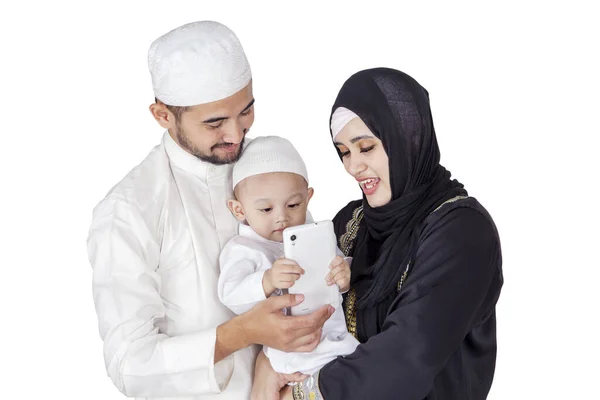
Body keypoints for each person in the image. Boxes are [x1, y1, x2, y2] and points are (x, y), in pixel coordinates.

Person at [86, 21, 332, 400]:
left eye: (246, 111)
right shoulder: (129, 210)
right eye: (215, 123)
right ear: (163, 115)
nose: (236, 135)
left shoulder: (265, 167)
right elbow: (130, 365)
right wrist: (243, 332)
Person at [252, 68, 504, 400]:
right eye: (344, 152)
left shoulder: (461, 231)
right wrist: (267, 363)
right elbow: (311, 319)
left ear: (408, 137)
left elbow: (407, 355)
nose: (352, 166)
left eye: (366, 147)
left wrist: (302, 395)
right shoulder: (352, 222)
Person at [218, 136, 359, 376]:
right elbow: (230, 296)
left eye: (293, 205)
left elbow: (336, 268)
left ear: (308, 197)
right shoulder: (243, 249)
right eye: (266, 209)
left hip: (336, 337)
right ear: (239, 209)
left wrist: (344, 273)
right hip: (292, 351)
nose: (281, 217)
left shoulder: (316, 237)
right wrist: (267, 280)